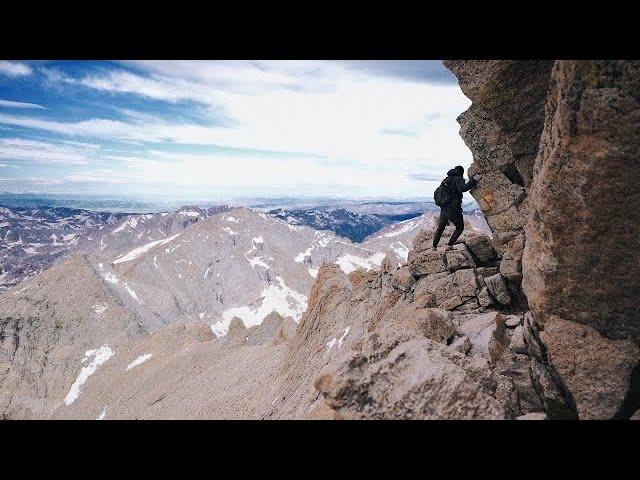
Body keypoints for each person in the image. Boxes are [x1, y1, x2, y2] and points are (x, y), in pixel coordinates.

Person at [432, 165, 480, 250]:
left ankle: (434, 247)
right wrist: (474, 180)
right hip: (453, 209)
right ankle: (450, 245)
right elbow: (463, 188)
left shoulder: (446, 180)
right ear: (461, 172)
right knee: (460, 228)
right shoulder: (458, 179)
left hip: (444, 208)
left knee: (440, 228)